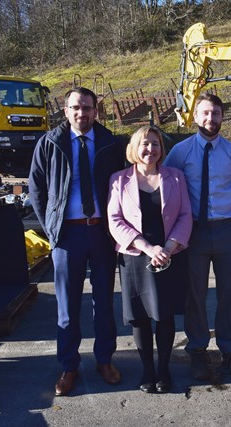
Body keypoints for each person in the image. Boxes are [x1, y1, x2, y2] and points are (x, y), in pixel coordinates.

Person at [28, 87, 125, 396]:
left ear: (96, 111)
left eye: (87, 107)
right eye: (75, 108)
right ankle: (69, 366)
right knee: (67, 307)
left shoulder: (111, 143)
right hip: (66, 236)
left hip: (101, 233)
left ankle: (104, 360)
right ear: (66, 111)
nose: (81, 113)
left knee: (104, 303)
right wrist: (52, 229)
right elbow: (36, 190)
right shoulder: (50, 144)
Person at [163, 93, 231, 380]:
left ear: (222, 117)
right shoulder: (180, 152)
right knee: (195, 295)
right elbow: (171, 190)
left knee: (229, 293)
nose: (211, 119)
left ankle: (228, 348)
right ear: (196, 116)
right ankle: (198, 351)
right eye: (205, 113)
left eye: (216, 114)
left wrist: (224, 214)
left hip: (227, 230)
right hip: (193, 232)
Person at [107, 126, 192, 393]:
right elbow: (115, 219)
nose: (150, 149)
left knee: (164, 316)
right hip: (135, 256)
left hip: (169, 255)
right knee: (140, 317)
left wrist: (167, 247)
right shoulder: (119, 180)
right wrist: (147, 247)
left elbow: (186, 215)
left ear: (161, 149)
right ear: (134, 148)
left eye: (155, 144)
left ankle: (164, 369)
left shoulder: (176, 177)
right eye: (145, 144)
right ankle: (147, 370)